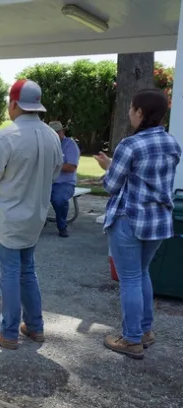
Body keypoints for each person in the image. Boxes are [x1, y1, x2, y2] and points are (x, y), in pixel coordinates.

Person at [93, 89, 181, 360]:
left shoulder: (130, 145)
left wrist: (109, 167)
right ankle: (144, 331)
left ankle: (131, 339)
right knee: (142, 274)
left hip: (130, 219)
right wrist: (116, 166)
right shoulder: (171, 143)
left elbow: (112, 185)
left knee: (130, 278)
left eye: (131, 109)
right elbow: (146, 177)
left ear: (140, 113)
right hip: (158, 221)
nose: (130, 113)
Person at [0, 79, 63, 350]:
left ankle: (9, 331)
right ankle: (35, 326)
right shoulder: (51, 135)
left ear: (14, 104)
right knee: (28, 270)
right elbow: (56, 172)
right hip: (35, 215)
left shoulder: (5, 136)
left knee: (10, 273)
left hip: (7, 216)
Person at [49, 121, 80, 238]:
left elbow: (71, 167)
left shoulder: (70, 145)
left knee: (59, 199)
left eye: (57, 132)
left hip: (64, 183)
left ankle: (62, 226)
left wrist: (52, 165)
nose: (54, 135)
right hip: (46, 182)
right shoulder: (47, 145)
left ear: (62, 132)